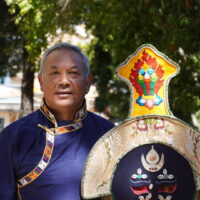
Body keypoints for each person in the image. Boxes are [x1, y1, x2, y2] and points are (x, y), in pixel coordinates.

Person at [0, 43, 114, 200]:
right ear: (41, 82)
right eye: (54, 73)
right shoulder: (13, 138)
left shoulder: (110, 135)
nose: (64, 81)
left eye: (73, 73)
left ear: (88, 82)